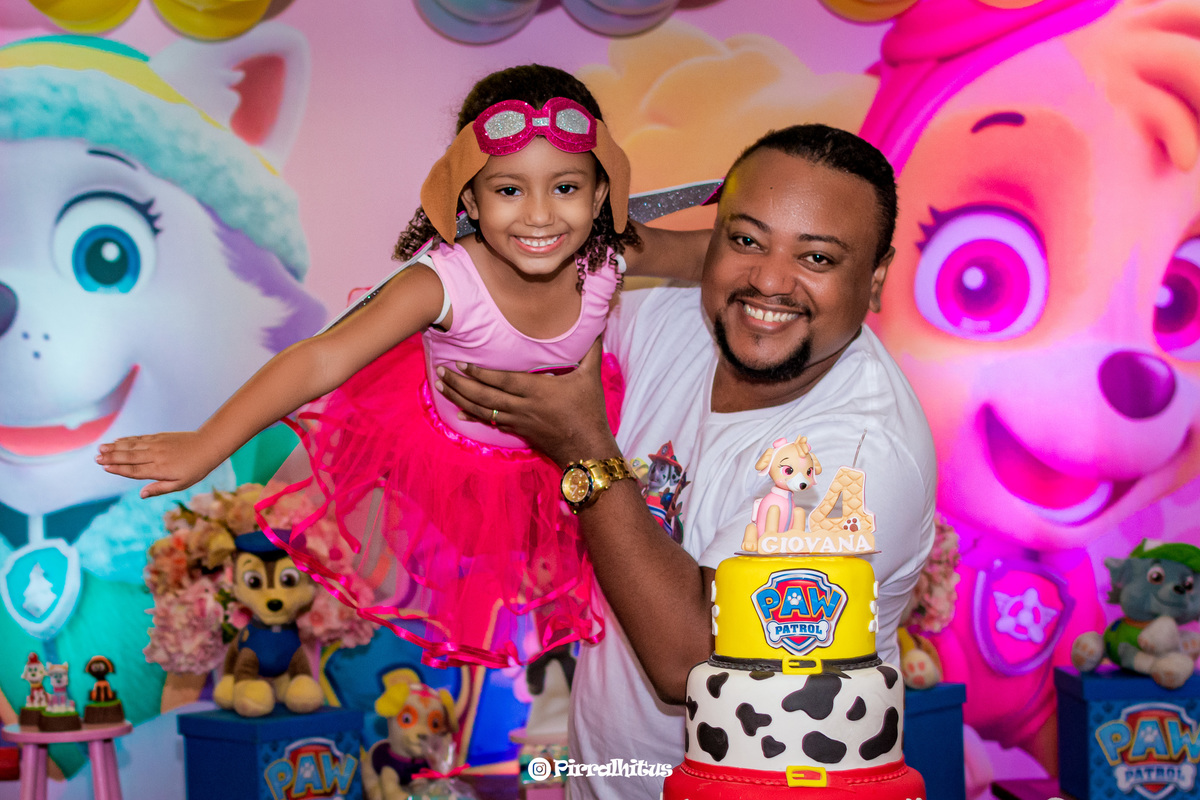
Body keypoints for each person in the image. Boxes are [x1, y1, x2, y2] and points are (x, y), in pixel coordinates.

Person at [95, 64, 705, 669]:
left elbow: (705, 253)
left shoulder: (608, 253)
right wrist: (206, 444)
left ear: (601, 194)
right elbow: (322, 357)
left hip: (561, 455)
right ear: (468, 197)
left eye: (565, 188)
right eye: (509, 190)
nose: (540, 215)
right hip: (447, 468)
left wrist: (764, 235)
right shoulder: (442, 283)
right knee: (466, 581)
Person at [437, 123, 938, 800]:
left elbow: (691, 660)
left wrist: (585, 452)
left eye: (817, 258)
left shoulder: (858, 461)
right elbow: (525, 323)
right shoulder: (684, 320)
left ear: (875, 278)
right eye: (746, 240)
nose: (769, 280)